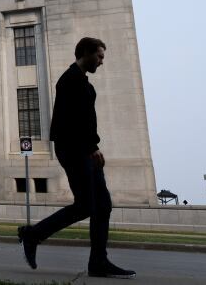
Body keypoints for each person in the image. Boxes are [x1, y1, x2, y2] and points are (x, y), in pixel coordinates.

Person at [18, 37, 135, 279]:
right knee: (86, 206)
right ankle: (33, 235)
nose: (102, 62)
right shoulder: (70, 80)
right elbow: (74, 120)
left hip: (86, 151)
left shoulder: (82, 82)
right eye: (99, 56)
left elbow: (86, 120)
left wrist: (92, 147)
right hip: (76, 150)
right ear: (86, 53)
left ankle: (98, 262)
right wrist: (92, 147)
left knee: (102, 206)